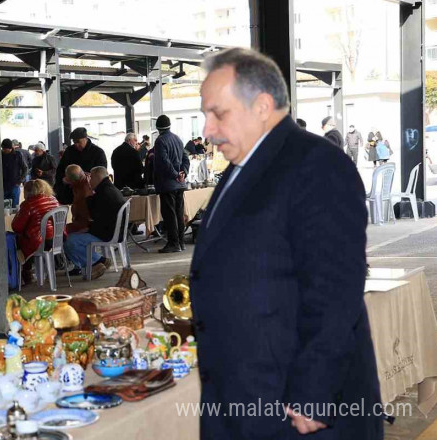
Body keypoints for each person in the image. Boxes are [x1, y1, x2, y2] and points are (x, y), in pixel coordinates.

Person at [194, 47, 380, 439]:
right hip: (242, 400)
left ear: (262, 105)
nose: (207, 130)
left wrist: (313, 393)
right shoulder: (242, 169)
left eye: (218, 113)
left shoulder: (316, 166)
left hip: (297, 413)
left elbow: (335, 290)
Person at [64, 167, 122, 280]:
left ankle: (95, 262)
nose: (89, 180)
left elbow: (95, 216)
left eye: (92, 177)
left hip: (107, 233)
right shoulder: (109, 188)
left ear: (97, 177)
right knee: (71, 235)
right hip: (113, 230)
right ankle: (99, 260)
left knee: (69, 240)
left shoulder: (103, 192)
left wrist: (88, 228)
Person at [10, 179, 60, 286]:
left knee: (14, 240)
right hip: (56, 239)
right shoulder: (54, 200)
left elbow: (16, 227)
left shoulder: (28, 204)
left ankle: (24, 273)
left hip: (39, 242)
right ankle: (31, 271)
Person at [153, 115, 187, 253]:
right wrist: (183, 173)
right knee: (179, 214)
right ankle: (181, 242)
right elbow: (185, 158)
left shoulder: (160, 141)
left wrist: (174, 175)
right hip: (180, 184)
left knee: (169, 215)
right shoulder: (178, 139)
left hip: (167, 184)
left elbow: (163, 162)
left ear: (158, 128)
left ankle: (173, 243)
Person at [54, 127, 108, 204]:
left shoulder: (98, 152)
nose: (76, 144)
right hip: (70, 194)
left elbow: (102, 174)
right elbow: (60, 170)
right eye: (74, 142)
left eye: (78, 142)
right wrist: (64, 179)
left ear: (85, 138)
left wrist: (87, 178)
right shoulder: (69, 151)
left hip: (90, 194)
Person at [63, 165, 92, 235]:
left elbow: (83, 215)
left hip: (87, 224)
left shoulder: (85, 191)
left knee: (62, 231)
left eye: (69, 180)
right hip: (83, 220)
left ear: (74, 181)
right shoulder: (86, 176)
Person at [1, 138, 27, 207]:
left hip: (15, 185)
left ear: (9, 148)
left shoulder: (18, 155)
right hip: (2, 186)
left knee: (15, 207)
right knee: (4, 207)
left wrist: (20, 181)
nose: (3, 150)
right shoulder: (0, 155)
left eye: (4, 149)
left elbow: (25, 168)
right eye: (2, 148)